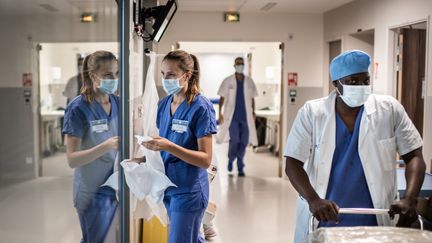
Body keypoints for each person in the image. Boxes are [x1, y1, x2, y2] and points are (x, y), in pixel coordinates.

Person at [284, 50, 426, 243]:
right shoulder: (312, 113)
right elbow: (292, 163)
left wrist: (410, 198)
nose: (360, 86)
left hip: (376, 217)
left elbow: (414, 156)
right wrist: (313, 199)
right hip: (325, 216)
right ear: (336, 84)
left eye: (365, 80)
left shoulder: (389, 109)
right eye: (352, 81)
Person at [142, 50, 217, 243]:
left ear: (187, 75)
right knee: (187, 237)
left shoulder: (201, 107)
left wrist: (169, 147)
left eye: (172, 75)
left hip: (189, 189)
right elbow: (164, 142)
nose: (166, 79)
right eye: (163, 74)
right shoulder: (164, 104)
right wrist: (143, 157)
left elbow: (205, 159)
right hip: (168, 185)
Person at [62, 51, 119, 243]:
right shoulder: (78, 107)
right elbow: (72, 159)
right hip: (91, 191)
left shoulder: (117, 103)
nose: (114, 79)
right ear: (93, 75)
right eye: (108, 75)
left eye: (116, 74)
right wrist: (106, 146)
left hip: (115, 188)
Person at [217, 57, 258, 176]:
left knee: (244, 142)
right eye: (238, 64)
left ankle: (240, 165)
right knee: (235, 140)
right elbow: (222, 98)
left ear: (244, 65)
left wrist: (253, 112)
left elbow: (252, 98)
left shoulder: (249, 81)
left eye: (242, 64)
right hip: (232, 117)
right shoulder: (228, 80)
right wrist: (220, 113)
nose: (240, 66)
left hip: (246, 116)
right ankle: (230, 159)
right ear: (234, 65)